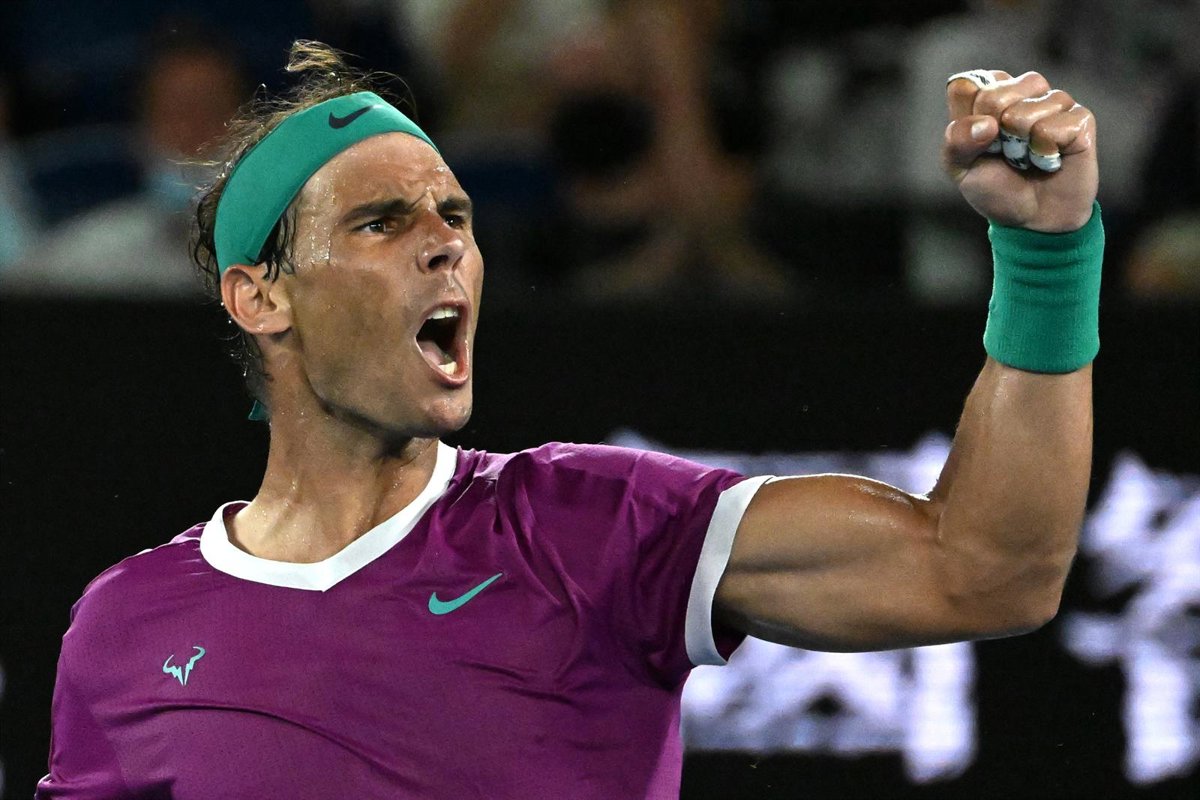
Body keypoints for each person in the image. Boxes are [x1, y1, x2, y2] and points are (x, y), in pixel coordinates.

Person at [36, 41, 1102, 799]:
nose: (446, 244)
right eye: (381, 221)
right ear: (259, 296)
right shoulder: (127, 628)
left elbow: (988, 568)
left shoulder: (594, 526)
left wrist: (1048, 254)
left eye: (455, 214)